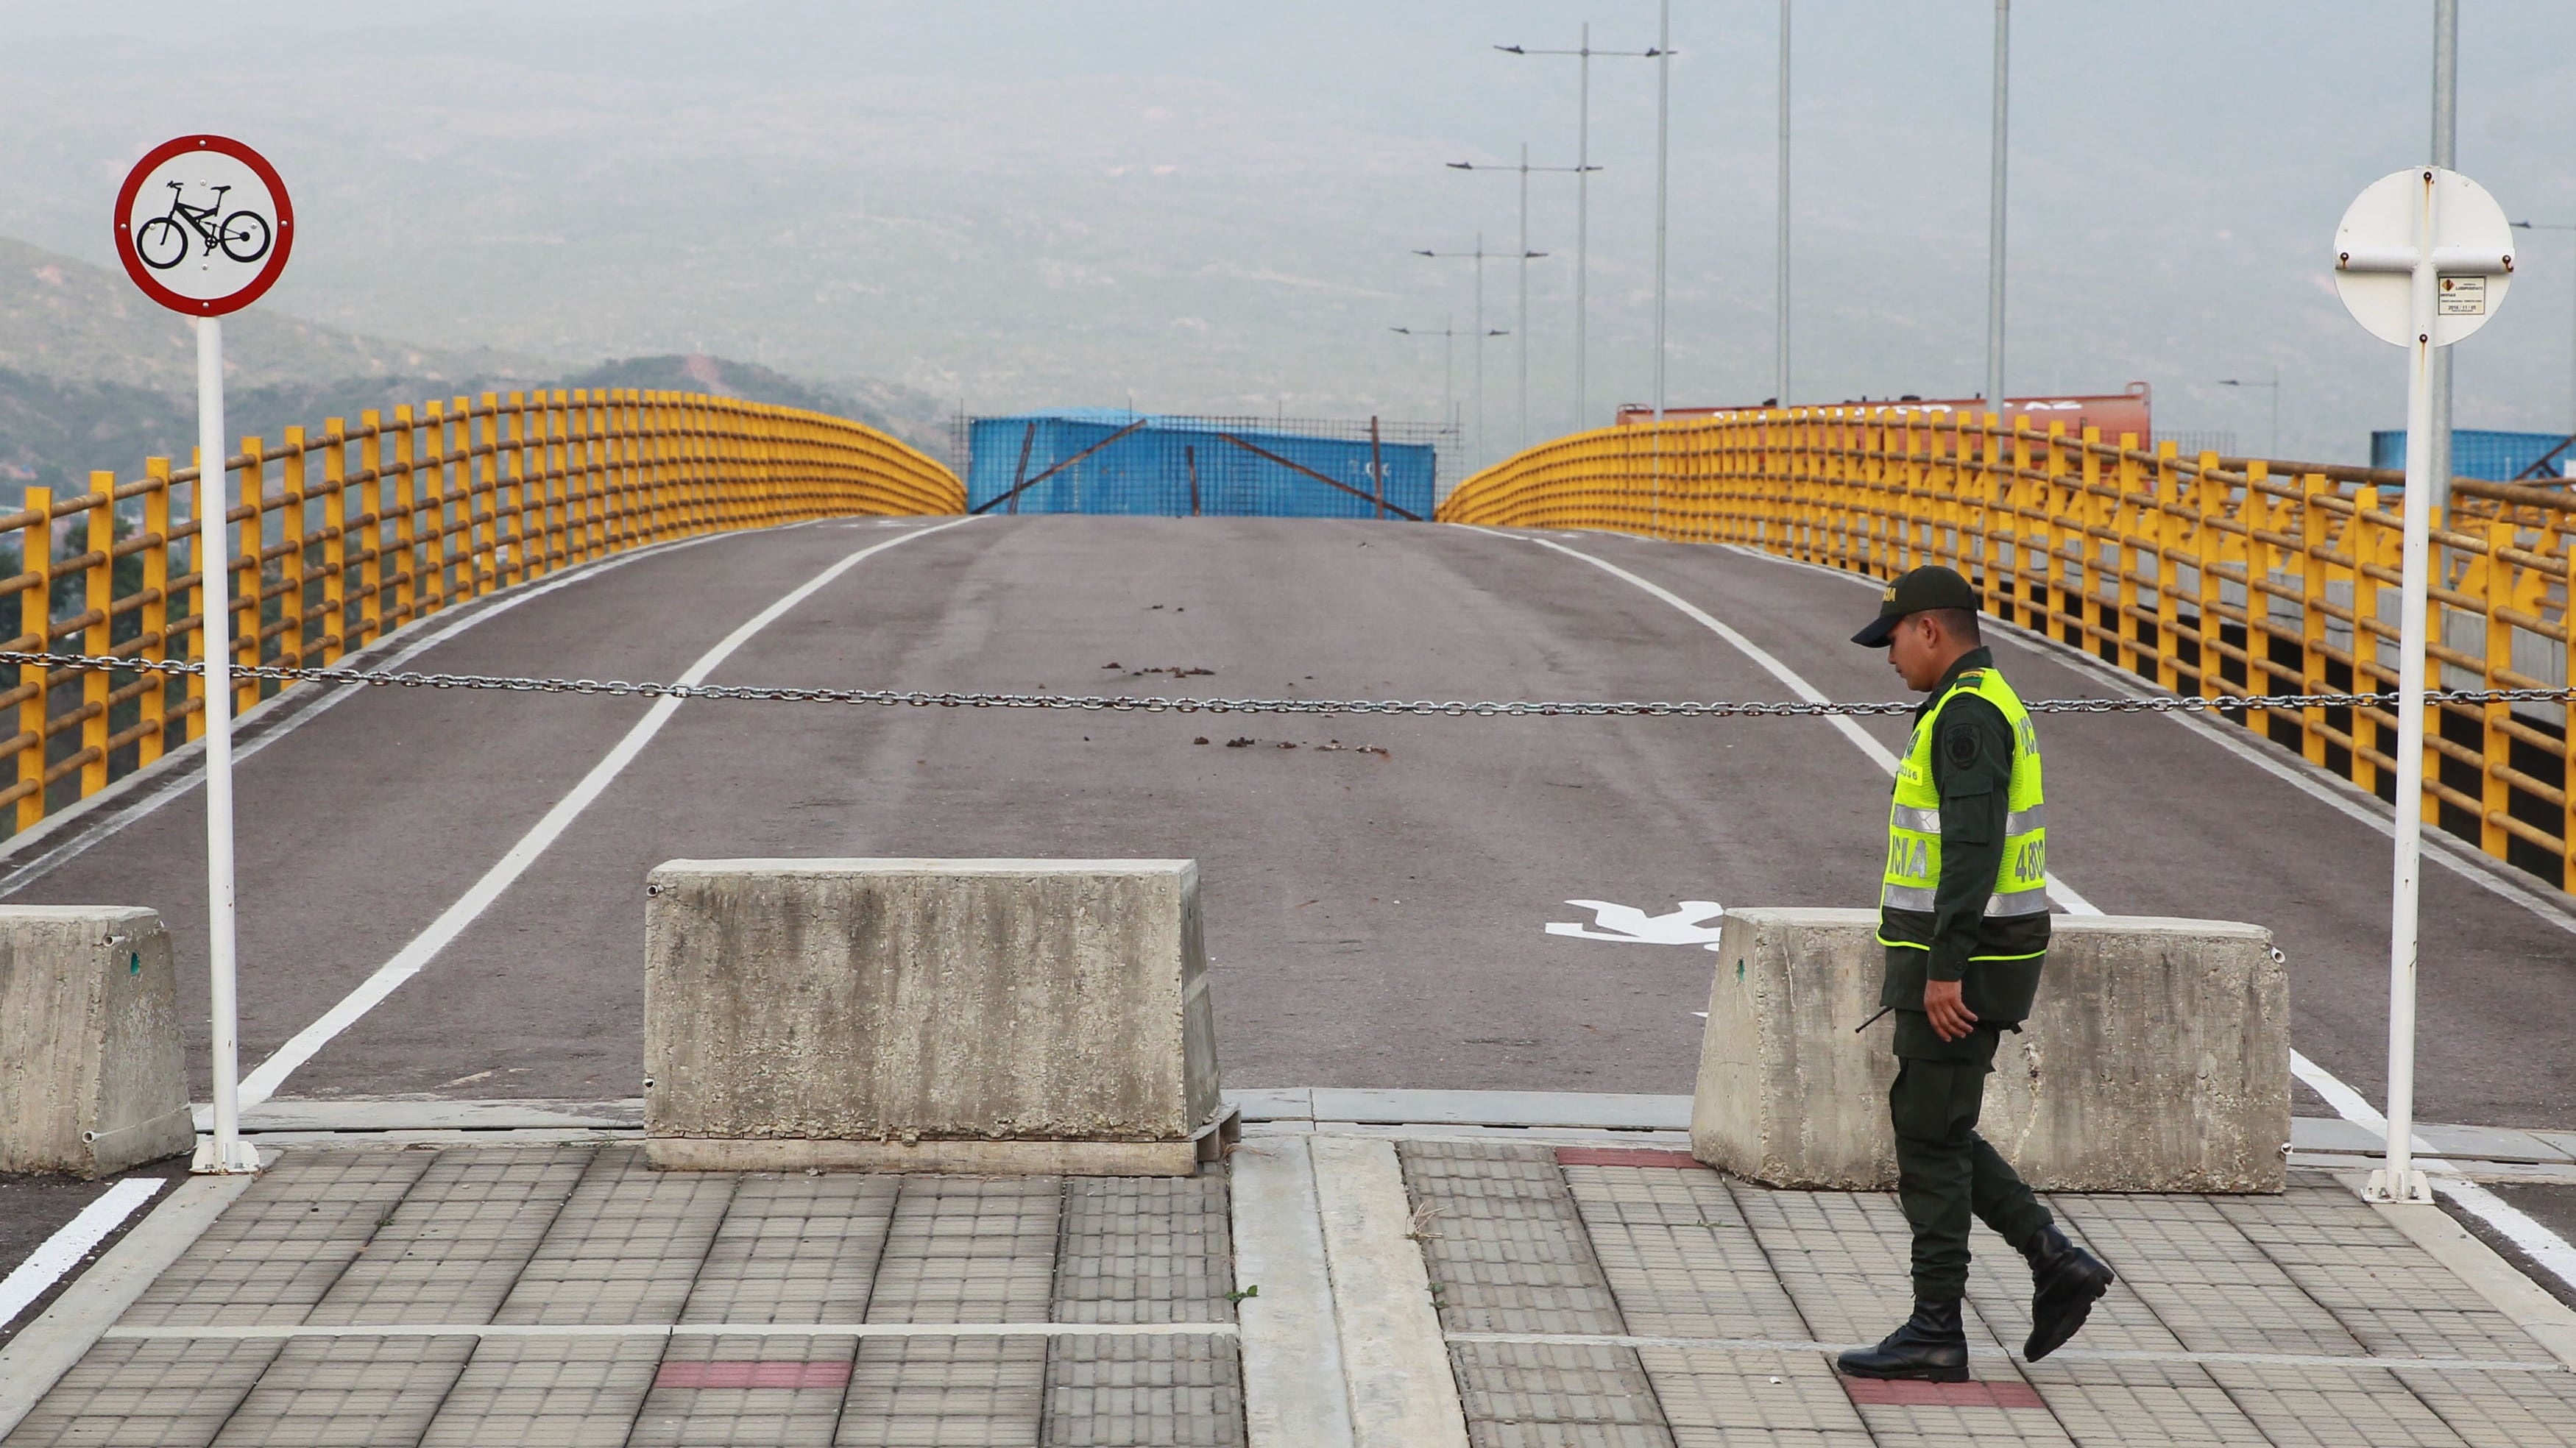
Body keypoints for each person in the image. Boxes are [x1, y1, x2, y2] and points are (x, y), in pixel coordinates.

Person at [1835, 565, 2115, 1383]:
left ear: (1928, 629)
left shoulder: (1966, 715)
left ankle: (1935, 1330)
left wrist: (1942, 968)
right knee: (1937, 1127)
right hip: (1979, 951)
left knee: (1928, 1139)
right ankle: (2052, 1259)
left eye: (1890, 639)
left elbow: (1970, 848)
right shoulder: (1982, 699)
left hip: (1967, 960)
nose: (1887, 657)